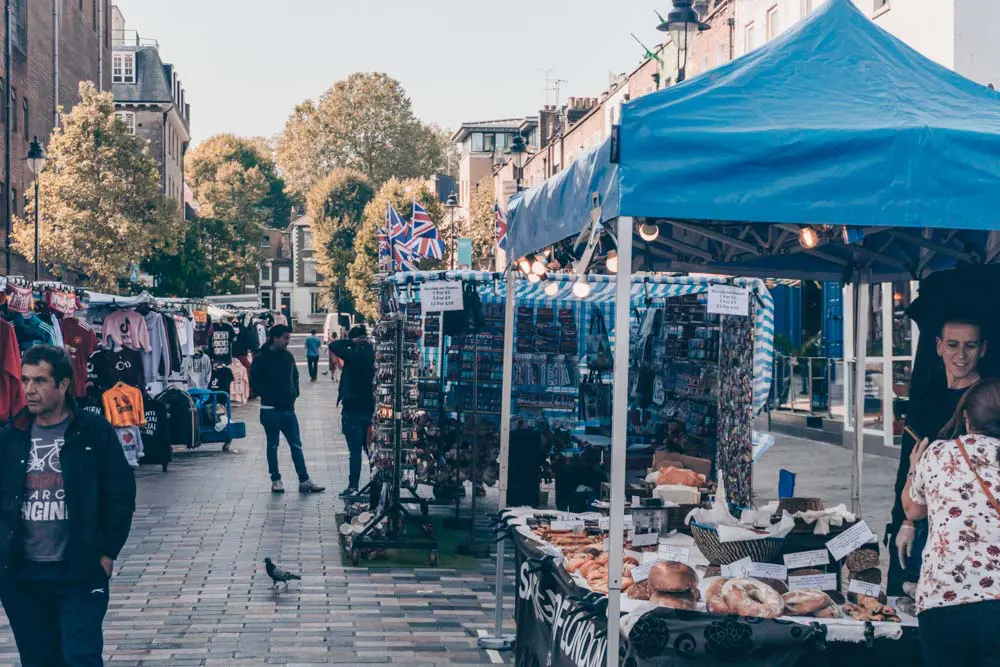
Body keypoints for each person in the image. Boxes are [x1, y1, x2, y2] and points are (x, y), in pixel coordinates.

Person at [0, 345, 136, 666]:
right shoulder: (11, 436)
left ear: (63, 385)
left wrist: (106, 553)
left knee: (81, 657)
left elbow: (120, 493)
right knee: (39, 659)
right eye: (26, 380)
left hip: (79, 569)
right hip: (24, 576)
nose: (30, 390)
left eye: (40, 381)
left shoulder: (92, 431)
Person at [902, 377, 1000, 666]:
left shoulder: (937, 454)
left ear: (967, 418)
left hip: (943, 599)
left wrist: (912, 468)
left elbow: (913, 510)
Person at [888, 317, 988, 595]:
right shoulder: (928, 393)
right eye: (953, 345)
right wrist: (907, 521)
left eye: (970, 346)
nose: (961, 355)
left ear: (983, 349)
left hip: (971, 526)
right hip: (921, 516)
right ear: (939, 346)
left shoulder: (988, 398)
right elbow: (912, 458)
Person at [250, 325, 325, 494]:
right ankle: (276, 479)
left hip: (288, 408)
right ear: (275, 338)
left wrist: (294, 392)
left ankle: (304, 479)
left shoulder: (288, 356)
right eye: (285, 338)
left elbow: (296, 375)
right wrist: (269, 395)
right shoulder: (261, 358)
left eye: (288, 338)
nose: (287, 341)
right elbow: (254, 382)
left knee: (296, 444)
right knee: (273, 444)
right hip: (270, 409)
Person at [329, 325, 375, 497]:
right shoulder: (373, 354)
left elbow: (334, 345)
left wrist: (351, 341)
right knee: (371, 450)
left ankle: (353, 486)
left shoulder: (353, 354)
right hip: (370, 408)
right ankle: (374, 483)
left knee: (355, 451)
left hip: (352, 409)